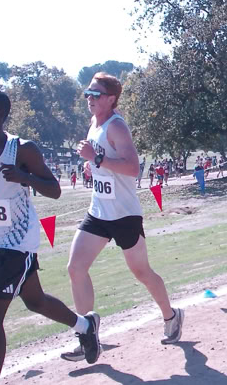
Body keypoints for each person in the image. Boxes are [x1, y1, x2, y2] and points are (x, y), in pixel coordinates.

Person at [64, 73, 183, 361]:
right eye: (88, 93)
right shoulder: (94, 123)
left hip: (124, 214)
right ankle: (87, 336)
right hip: (98, 211)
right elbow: (102, 164)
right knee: (75, 268)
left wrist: (96, 158)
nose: (89, 99)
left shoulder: (116, 126)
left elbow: (132, 168)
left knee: (141, 272)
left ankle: (171, 316)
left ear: (111, 99)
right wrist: (93, 164)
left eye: (95, 94)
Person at [0, 91, 102, 382]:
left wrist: (24, 177)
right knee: (35, 301)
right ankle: (85, 326)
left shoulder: (20, 149)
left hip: (18, 242)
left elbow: (54, 190)